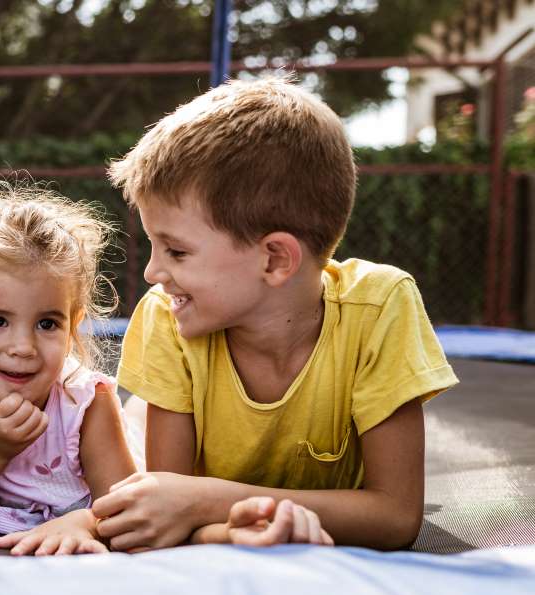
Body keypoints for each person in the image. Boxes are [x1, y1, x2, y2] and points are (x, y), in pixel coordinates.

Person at [94, 76, 459, 551]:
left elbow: (395, 517)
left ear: (274, 260)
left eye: (176, 251)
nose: (152, 272)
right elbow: (167, 511)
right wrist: (229, 525)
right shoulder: (166, 318)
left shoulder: (379, 307)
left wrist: (210, 500)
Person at [0, 185, 332, 555]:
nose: (23, 347)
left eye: (48, 323)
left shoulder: (84, 403)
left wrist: (83, 524)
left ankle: (239, 523)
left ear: (73, 327)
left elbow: (129, 509)